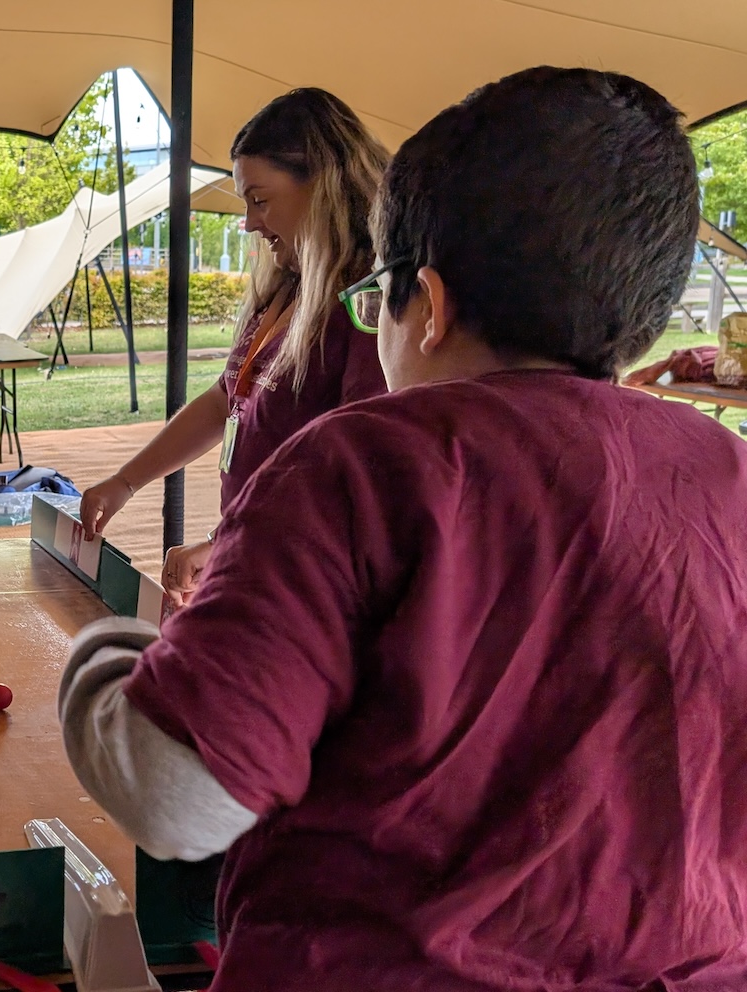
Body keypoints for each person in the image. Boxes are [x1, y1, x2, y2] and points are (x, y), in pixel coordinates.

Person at [60, 67, 747, 990]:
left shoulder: (363, 463)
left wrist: (109, 651)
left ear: (429, 304)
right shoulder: (728, 476)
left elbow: (175, 797)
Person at [77, 89, 389, 605]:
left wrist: (224, 544)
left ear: (324, 188)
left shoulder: (367, 307)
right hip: (256, 556)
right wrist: (126, 482)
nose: (247, 222)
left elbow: (351, 475)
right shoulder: (287, 285)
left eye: (261, 200)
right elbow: (227, 398)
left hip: (308, 581)